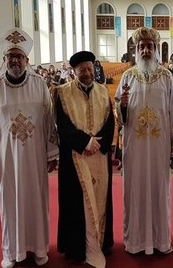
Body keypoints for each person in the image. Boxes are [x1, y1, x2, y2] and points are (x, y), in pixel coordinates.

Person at [0, 28, 59, 268]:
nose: (14, 60)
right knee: (9, 206)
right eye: (10, 56)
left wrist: (52, 153)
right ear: (4, 60)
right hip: (6, 161)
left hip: (34, 160)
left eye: (18, 56)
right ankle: (11, 252)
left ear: (27, 60)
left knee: (37, 202)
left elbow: (49, 121)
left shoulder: (39, 85)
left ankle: (40, 249)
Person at [114, 27, 173, 255]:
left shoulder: (166, 77)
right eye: (141, 46)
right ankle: (135, 241)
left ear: (156, 50)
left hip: (158, 147)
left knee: (158, 190)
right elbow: (119, 114)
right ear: (136, 50)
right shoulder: (127, 77)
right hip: (134, 148)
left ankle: (159, 240)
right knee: (135, 191)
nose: (145, 50)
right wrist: (122, 106)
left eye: (149, 46)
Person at [53, 51, 115, 267]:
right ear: (74, 71)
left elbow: (110, 122)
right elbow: (63, 124)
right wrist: (84, 142)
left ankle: (101, 243)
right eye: (82, 70)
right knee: (75, 202)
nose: (87, 73)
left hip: (99, 156)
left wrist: (100, 143)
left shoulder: (102, 91)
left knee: (100, 198)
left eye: (89, 68)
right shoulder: (62, 93)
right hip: (74, 157)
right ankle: (77, 248)